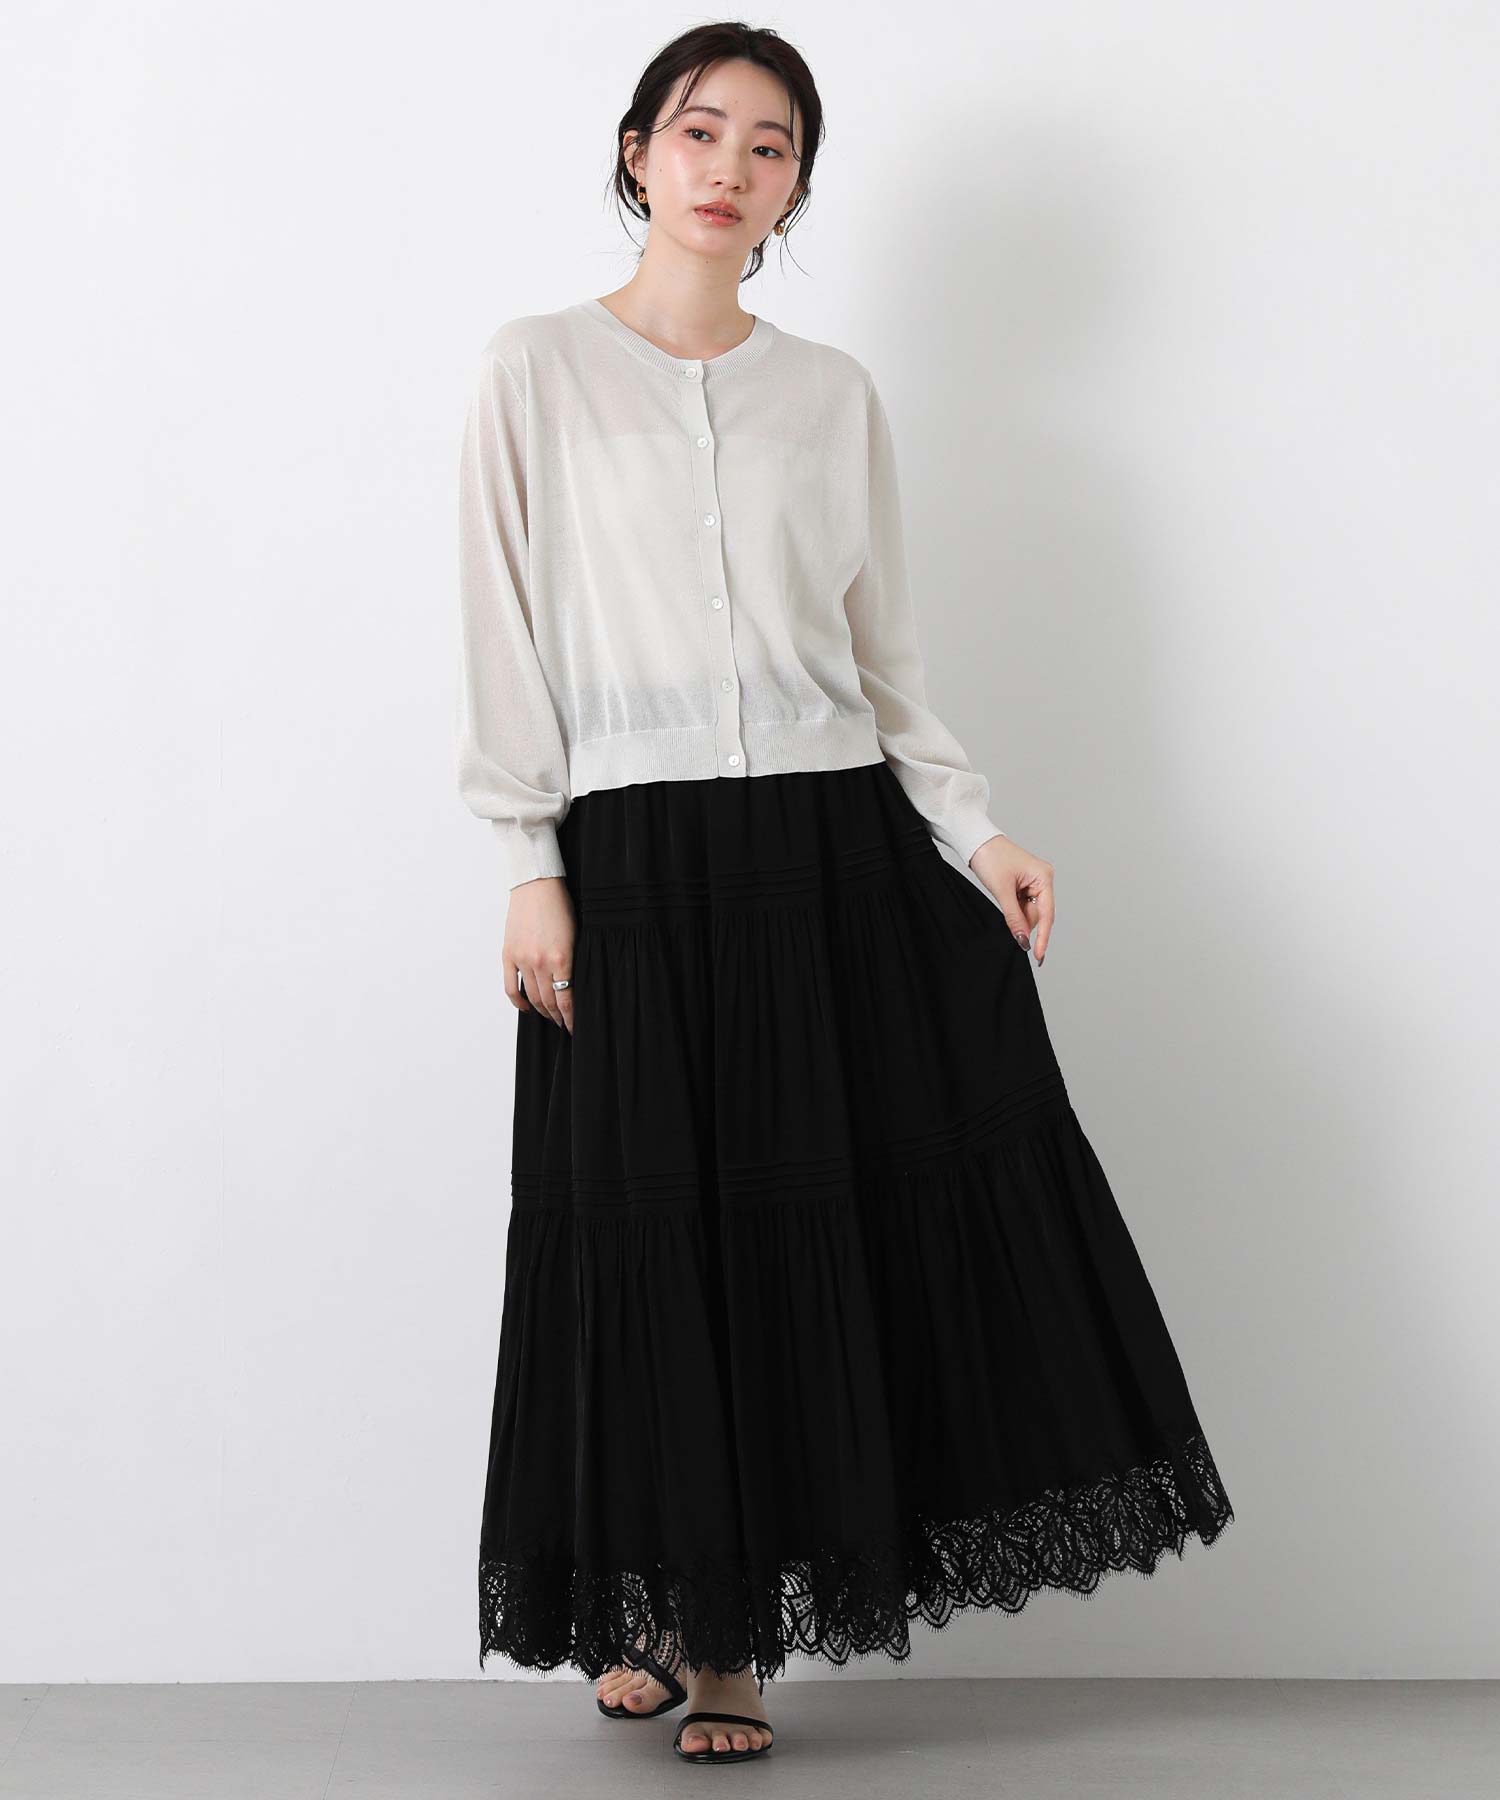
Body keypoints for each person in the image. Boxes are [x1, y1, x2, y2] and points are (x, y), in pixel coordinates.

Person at [456, 22, 1234, 1766]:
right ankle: (658, 1599)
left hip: (829, 849)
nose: (730, 168)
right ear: (639, 151)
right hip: (631, 859)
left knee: (804, 1238)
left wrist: (976, 831)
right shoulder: (534, 370)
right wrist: (528, 865)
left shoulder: (831, 395)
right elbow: (499, 631)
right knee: (650, 1233)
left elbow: (883, 660)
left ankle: (738, 1644)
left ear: (797, 186)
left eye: (771, 146)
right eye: (700, 131)